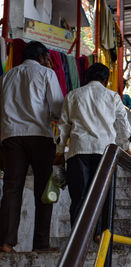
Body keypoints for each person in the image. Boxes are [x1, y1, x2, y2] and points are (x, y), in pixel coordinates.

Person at [0, 41, 64, 252]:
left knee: (11, 188)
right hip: (39, 136)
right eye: (47, 59)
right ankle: (41, 244)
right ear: (42, 58)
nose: (49, 63)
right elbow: (57, 109)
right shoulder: (46, 74)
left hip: (11, 137)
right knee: (44, 190)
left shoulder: (6, 77)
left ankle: (6, 242)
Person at [54, 63, 131, 231]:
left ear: (87, 77)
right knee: (103, 194)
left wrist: (60, 152)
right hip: (105, 152)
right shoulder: (113, 96)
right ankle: (100, 234)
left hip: (78, 151)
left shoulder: (73, 95)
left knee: (79, 197)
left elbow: (63, 126)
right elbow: (122, 124)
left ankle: (78, 236)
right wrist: (127, 147)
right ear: (105, 80)